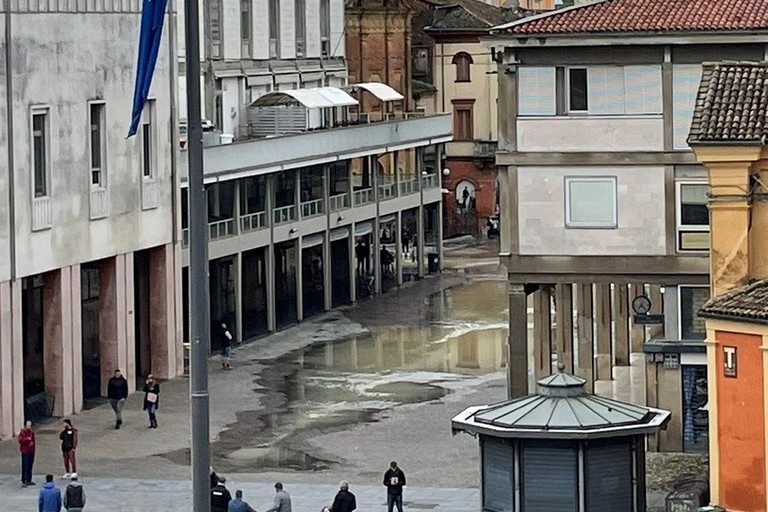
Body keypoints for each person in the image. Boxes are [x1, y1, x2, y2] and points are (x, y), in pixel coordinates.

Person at [19, 419, 36, 487]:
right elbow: (20, 440)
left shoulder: (32, 432)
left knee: (30, 465)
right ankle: (24, 480)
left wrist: (34, 449)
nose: (29, 427)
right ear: (25, 425)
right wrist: (27, 439)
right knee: (25, 465)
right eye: (28, 425)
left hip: (31, 451)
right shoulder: (23, 432)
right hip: (25, 451)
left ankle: (29, 479)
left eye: (30, 425)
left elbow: (33, 441)